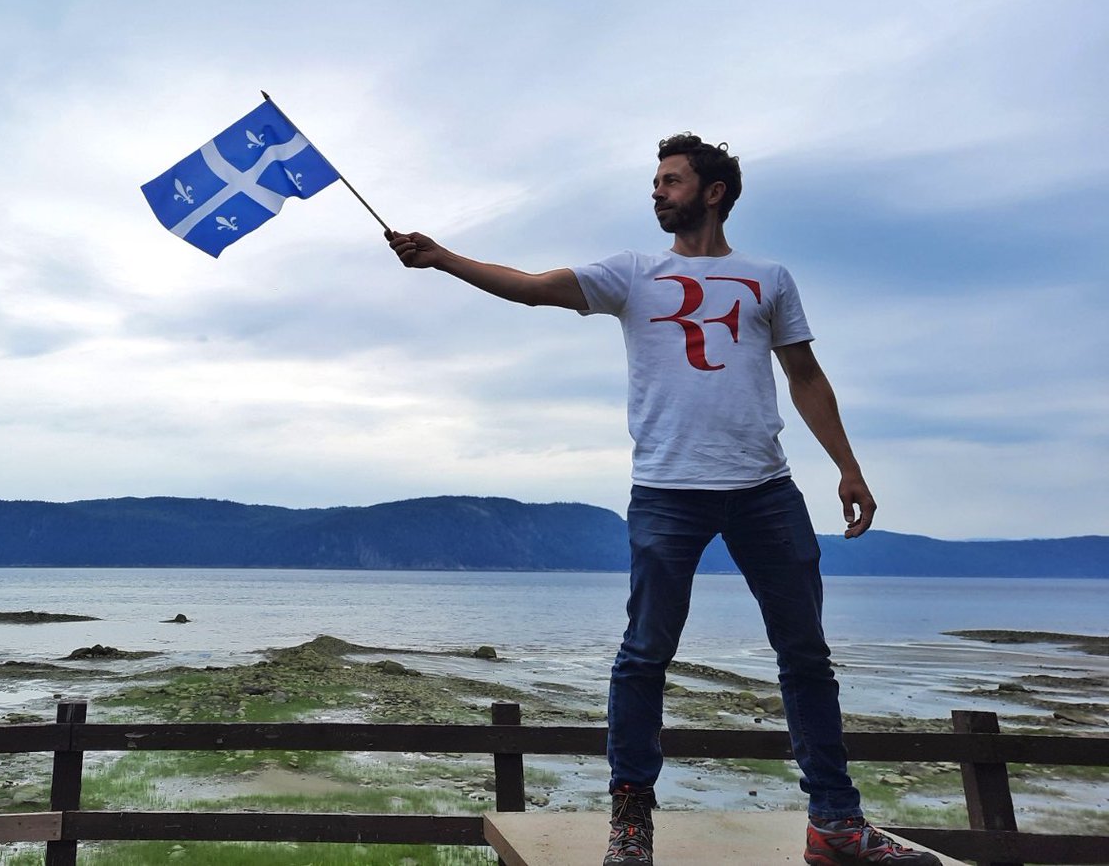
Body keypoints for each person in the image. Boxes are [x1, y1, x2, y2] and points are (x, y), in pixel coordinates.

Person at [387, 133, 941, 866]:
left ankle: (835, 825)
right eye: (654, 181)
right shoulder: (632, 274)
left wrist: (848, 466)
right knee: (644, 655)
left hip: (765, 490)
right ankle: (630, 825)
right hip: (667, 492)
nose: (656, 190)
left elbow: (805, 376)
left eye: (670, 180)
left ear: (712, 192)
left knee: (805, 655)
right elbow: (529, 286)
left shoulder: (769, 278)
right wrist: (443, 257)